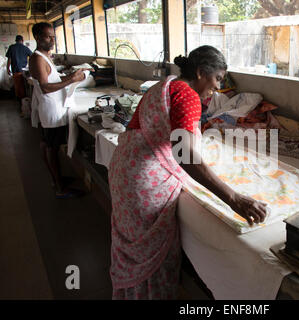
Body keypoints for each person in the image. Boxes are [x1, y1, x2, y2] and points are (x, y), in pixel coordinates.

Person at [108, 45, 267, 299]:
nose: (217, 88)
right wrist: (234, 198)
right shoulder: (188, 95)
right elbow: (184, 155)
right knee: (150, 261)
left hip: (123, 172)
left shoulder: (163, 86)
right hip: (143, 183)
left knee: (131, 252)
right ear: (201, 72)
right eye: (217, 79)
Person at [29, 22, 88, 199]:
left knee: (47, 144)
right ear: (38, 38)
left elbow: (50, 78)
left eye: (54, 36)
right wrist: (72, 79)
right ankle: (60, 188)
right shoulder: (38, 58)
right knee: (52, 148)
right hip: (51, 112)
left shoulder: (44, 57)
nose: (52, 40)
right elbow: (46, 87)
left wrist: (73, 76)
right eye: (48, 36)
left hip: (51, 110)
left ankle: (57, 179)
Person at [6, 35, 33, 101]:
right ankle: (25, 100)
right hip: (24, 71)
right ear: (22, 41)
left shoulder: (11, 47)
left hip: (16, 71)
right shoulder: (25, 48)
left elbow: (9, 59)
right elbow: (32, 57)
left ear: (16, 40)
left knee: (18, 87)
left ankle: (20, 101)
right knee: (25, 86)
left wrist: (8, 69)